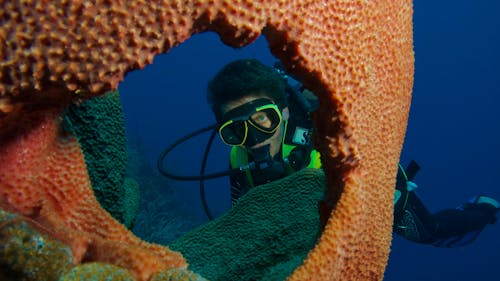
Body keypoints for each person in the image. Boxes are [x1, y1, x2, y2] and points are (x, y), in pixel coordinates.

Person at [206, 58, 499, 247]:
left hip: (362, 181)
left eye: (262, 121)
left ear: (282, 112)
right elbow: (243, 221)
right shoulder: (239, 158)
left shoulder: (323, 130)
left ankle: (482, 210)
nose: (253, 140)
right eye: (235, 131)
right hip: (307, 222)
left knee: (427, 230)